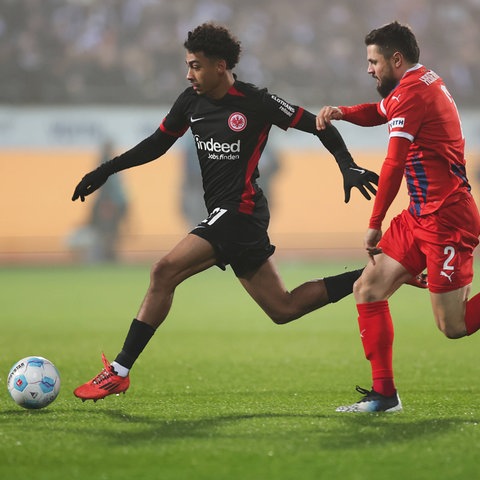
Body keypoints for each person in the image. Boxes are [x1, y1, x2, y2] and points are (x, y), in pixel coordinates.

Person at [71, 22, 379, 402]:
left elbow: (317, 124)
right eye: (188, 65)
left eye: (196, 66)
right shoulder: (190, 102)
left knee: (163, 271)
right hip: (229, 215)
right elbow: (156, 145)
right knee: (284, 308)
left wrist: (346, 164)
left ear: (220, 66)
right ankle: (376, 273)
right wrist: (105, 170)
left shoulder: (256, 101)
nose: (189, 74)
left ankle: (118, 371)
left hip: (240, 212)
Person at [316, 21, 480, 412]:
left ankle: (385, 395)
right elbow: (380, 111)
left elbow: (393, 163)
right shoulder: (417, 82)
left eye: (373, 62)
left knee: (452, 326)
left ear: (396, 58)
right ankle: (384, 396)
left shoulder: (412, 93)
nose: (369, 69)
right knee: (368, 288)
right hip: (421, 214)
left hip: (446, 219)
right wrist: (343, 112)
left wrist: (374, 223)